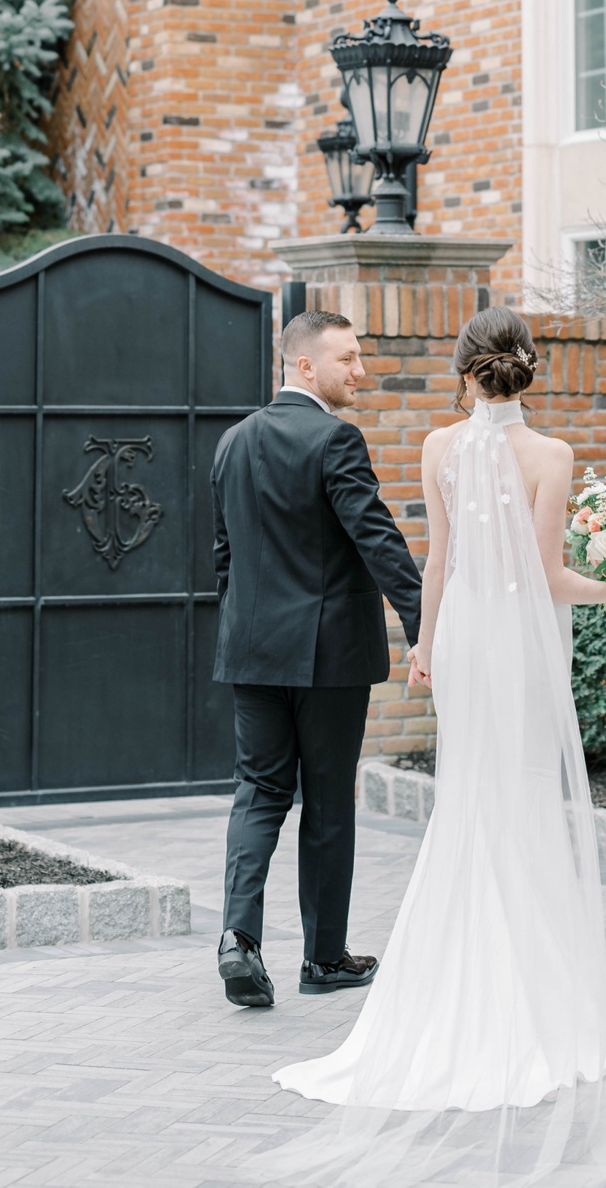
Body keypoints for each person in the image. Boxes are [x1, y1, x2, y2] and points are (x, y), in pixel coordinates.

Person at [258, 307, 606, 1188]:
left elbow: (440, 560)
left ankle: (466, 986)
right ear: (526, 370)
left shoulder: (436, 446)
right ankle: (531, 1000)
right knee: (524, 798)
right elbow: (547, 579)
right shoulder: (553, 456)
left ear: (465, 371)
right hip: (518, 641)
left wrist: (424, 645)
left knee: (472, 801)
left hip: (461, 635)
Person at [211, 306, 424, 1010]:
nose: (359, 371)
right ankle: (324, 958)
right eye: (348, 359)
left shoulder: (232, 443)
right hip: (328, 656)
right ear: (306, 365)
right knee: (327, 802)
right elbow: (378, 540)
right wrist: (428, 623)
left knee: (259, 791)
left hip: (251, 652)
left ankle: (237, 938)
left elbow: (225, 560)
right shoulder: (336, 439)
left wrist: (245, 627)